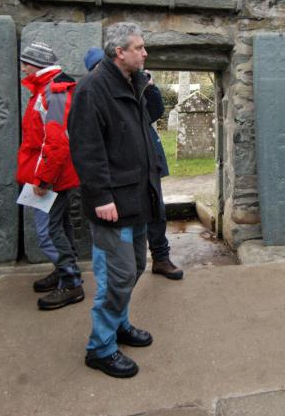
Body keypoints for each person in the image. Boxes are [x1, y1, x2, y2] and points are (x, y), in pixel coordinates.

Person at [68, 24, 163, 378]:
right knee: (115, 277)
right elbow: (86, 149)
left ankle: (119, 324)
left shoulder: (134, 83)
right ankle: (101, 347)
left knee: (135, 267)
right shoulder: (93, 89)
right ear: (119, 52)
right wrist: (101, 197)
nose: (145, 53)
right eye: (139, 47)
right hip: (113, 205)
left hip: (137, 198)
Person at [83, 47, 184, 280]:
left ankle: (161, 257)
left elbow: (154, 112)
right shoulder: (95, 93)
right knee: (123, 230)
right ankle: (122, 272)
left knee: (156, 210)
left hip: (147, 159)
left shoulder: (133, 84)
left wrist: (150, 87)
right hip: (119, 171)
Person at [17, 42, 84, 310]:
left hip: (51, 176)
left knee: (49, 232)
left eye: (26, 63)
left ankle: (71, 282)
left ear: (38, 64)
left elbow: (56, 141)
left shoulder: (53, 91)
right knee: (60, 226)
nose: (23, 68)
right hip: (50, 172)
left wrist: (43, 179)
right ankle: (63, 271)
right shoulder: (46, 89)